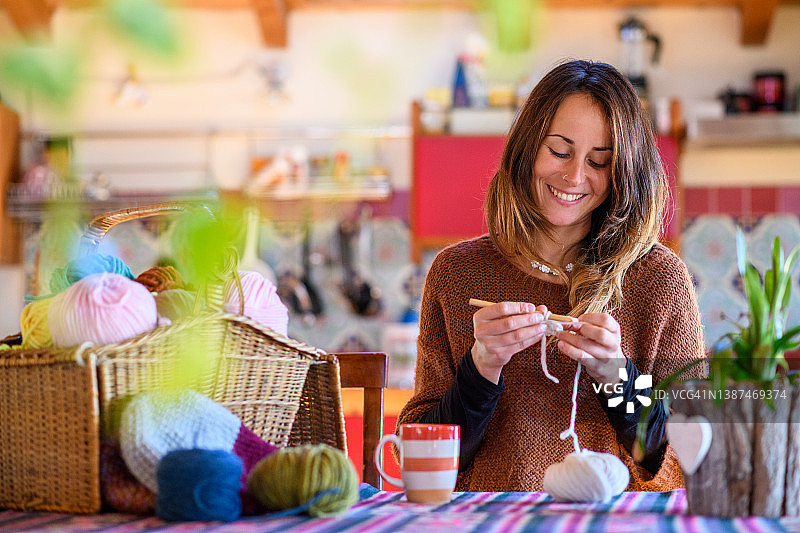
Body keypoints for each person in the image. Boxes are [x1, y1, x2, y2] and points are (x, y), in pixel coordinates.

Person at [397, 59, 705, 492]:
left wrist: (618, 378)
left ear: (624, 174)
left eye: (599, 162)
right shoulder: (457, 275)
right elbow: (417, 455)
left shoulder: (659, 282)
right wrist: (481, 366)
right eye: (559, 151)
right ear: (526, 147)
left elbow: (690, 455)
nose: (574, 176)